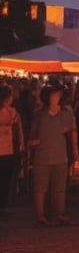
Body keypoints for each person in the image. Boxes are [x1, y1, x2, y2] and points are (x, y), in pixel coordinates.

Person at [28, 86, 78, 226]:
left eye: (58, 95)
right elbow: (32, 135)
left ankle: (59, 213)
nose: (57, 97)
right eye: (54, 94)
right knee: (40, 188)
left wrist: (75, 155)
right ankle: (40, 215)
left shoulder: (65, 113)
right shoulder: (39, 114)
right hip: (42, 156)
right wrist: (33, 143)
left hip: (60, 155)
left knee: (59, 188)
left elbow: (72, 132)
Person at [0, 86, 26, 218]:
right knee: (4, 180)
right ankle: (3, 206)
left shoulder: (13, 112)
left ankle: (3, 206)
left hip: (9, 150)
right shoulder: (12, 113)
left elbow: (18, 129)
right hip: (7, 150)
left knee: (5, 180)